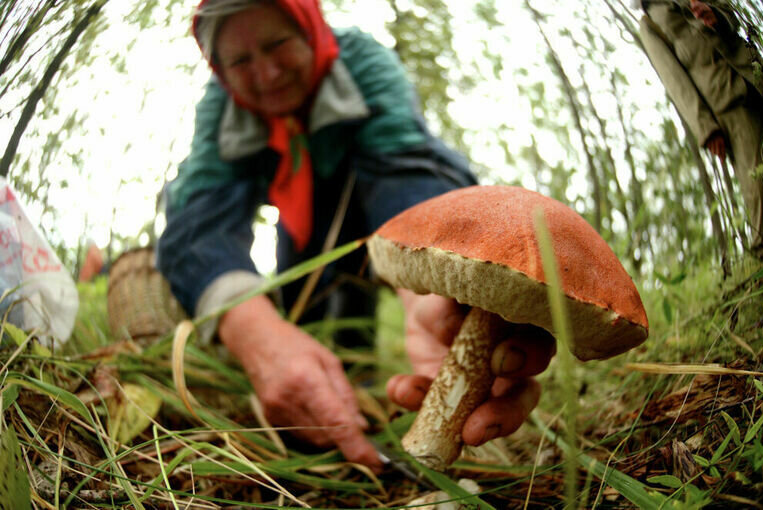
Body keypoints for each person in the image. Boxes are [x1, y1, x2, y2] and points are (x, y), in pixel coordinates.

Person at [157, 0, 554, 471]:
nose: (264, 73)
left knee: (353, 300)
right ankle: (329, 404)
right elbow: (201, 214)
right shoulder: (221, 106)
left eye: (277, 44)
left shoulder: (362, 62)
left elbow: (405, 169)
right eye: (240, 61)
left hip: (369, 216)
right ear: (219, 69)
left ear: (308, 28)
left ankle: (365, 390)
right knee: (302, 318)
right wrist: (255, 334)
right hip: (298, 227)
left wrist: (435, 289)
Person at [638, 0, 763, 250]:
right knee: (760, 185)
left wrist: (717, 16)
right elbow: (674, 80)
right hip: (727, 102)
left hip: (756, 72)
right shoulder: (650, 24)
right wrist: (705, 128)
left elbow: (731, 15)